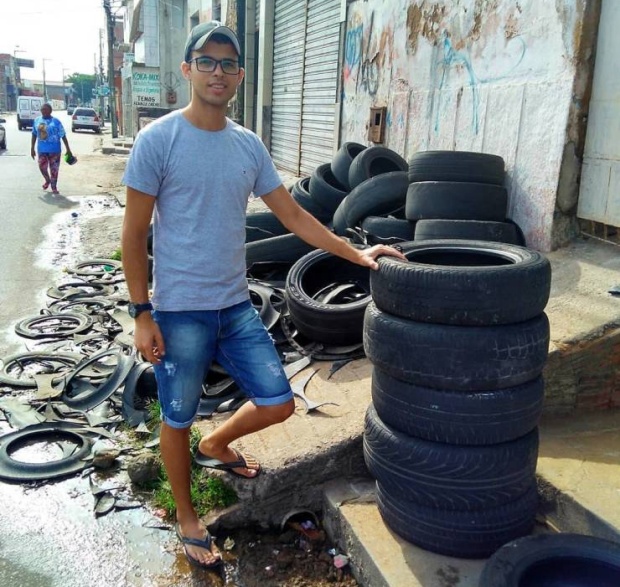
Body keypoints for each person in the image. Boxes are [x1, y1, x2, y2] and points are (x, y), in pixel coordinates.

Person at [121, 21, 405, 570]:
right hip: (179, 310)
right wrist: (141, 313)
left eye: (229, 64)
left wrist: (359, 256)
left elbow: (295, 215)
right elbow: (133, 235)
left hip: (233, 305)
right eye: (207, 61)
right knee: (176, 416)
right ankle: (186, 517)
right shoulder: (158, 140)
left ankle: (216, 445)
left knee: (276, 401)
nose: (218, 72)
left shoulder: (246, 144)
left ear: (241, 75)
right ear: (187, 70)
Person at [30, 103, 73, 195]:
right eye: (42, 109)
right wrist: (32, 148)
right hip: (42, 149)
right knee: (42, 166)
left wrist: (68, 149)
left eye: (45, 109)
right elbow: (34, 134)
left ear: (50, 111)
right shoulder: (37, 120)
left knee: (54, 169)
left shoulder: (56, 122)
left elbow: (63, 135)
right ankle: (47, 180)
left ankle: (54, 186)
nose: (43, 111)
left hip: (55, 150)